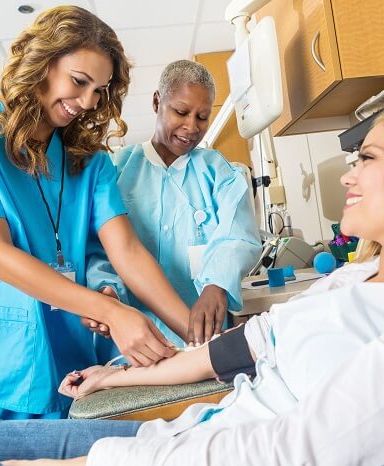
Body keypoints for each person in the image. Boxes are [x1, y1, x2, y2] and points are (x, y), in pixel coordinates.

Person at [0, 101, 384, 464]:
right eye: (180, 111)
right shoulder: (356, 277)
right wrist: (125, 366)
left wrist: (210, 289)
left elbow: (301, 450)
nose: (348, 173)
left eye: (367, 157)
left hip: (189, 444)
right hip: (183, 417)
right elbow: (245, 342)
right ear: (157, 104)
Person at [0, 5, 193, 421]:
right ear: (41, 63)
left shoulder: (89, 161)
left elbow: (127, 251)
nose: (87, 102)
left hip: (67, 360)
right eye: (79, 81)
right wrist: (108, 311)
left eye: (99, 90)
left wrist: (198, 335)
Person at [87, 59, 261, 359]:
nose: (191, 127)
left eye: (202, 117)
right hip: (134, 345)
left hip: (205, 338)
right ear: (157, 101)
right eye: (181, 112)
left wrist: (217, 283)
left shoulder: (219, 173)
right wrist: (106, 291)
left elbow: (238, 235)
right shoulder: (116, 171)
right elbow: (97, 249)